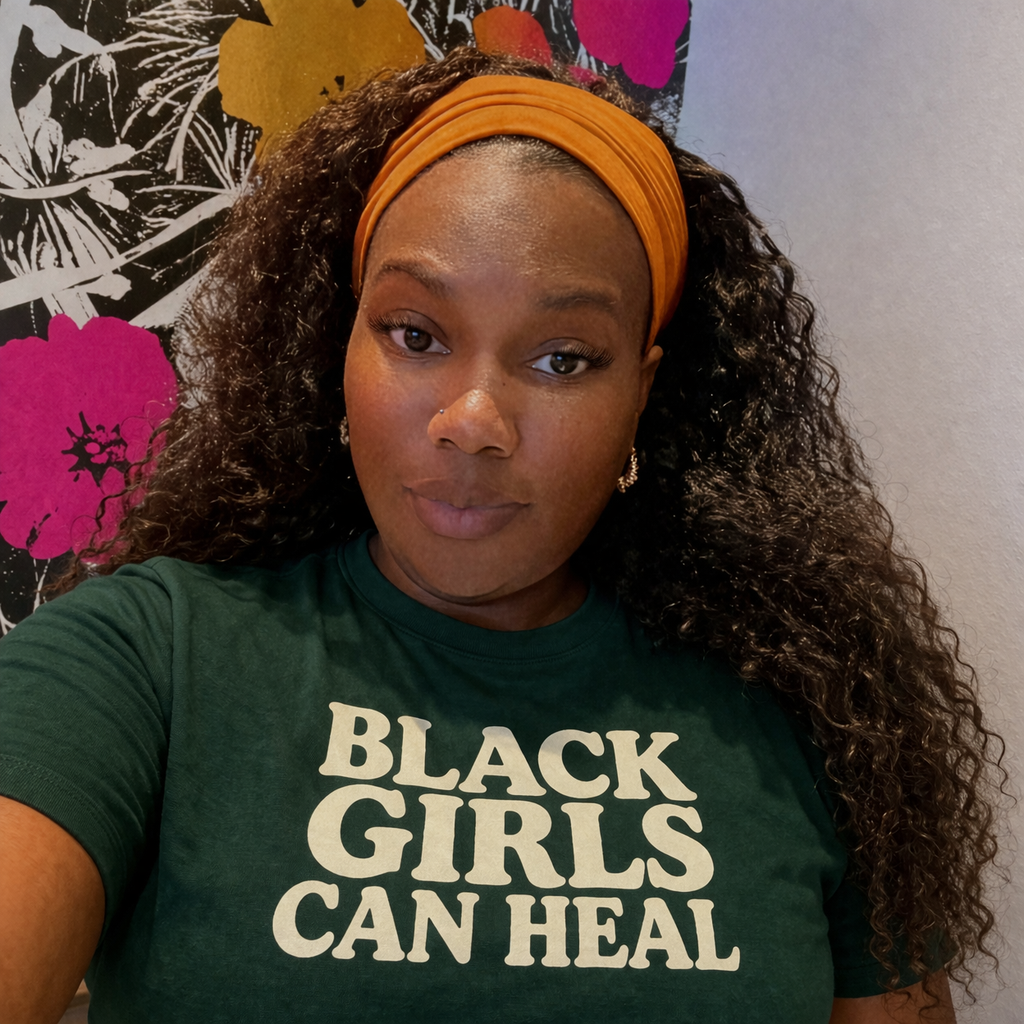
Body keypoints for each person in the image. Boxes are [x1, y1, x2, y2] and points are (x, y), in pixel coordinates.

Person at [0, 47, 1003, 1024]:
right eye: (415, 333)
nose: (472, 418)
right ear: (337, 346)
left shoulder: (806, 710)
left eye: (563, 357)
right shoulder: (144, 661)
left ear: (641, 395)